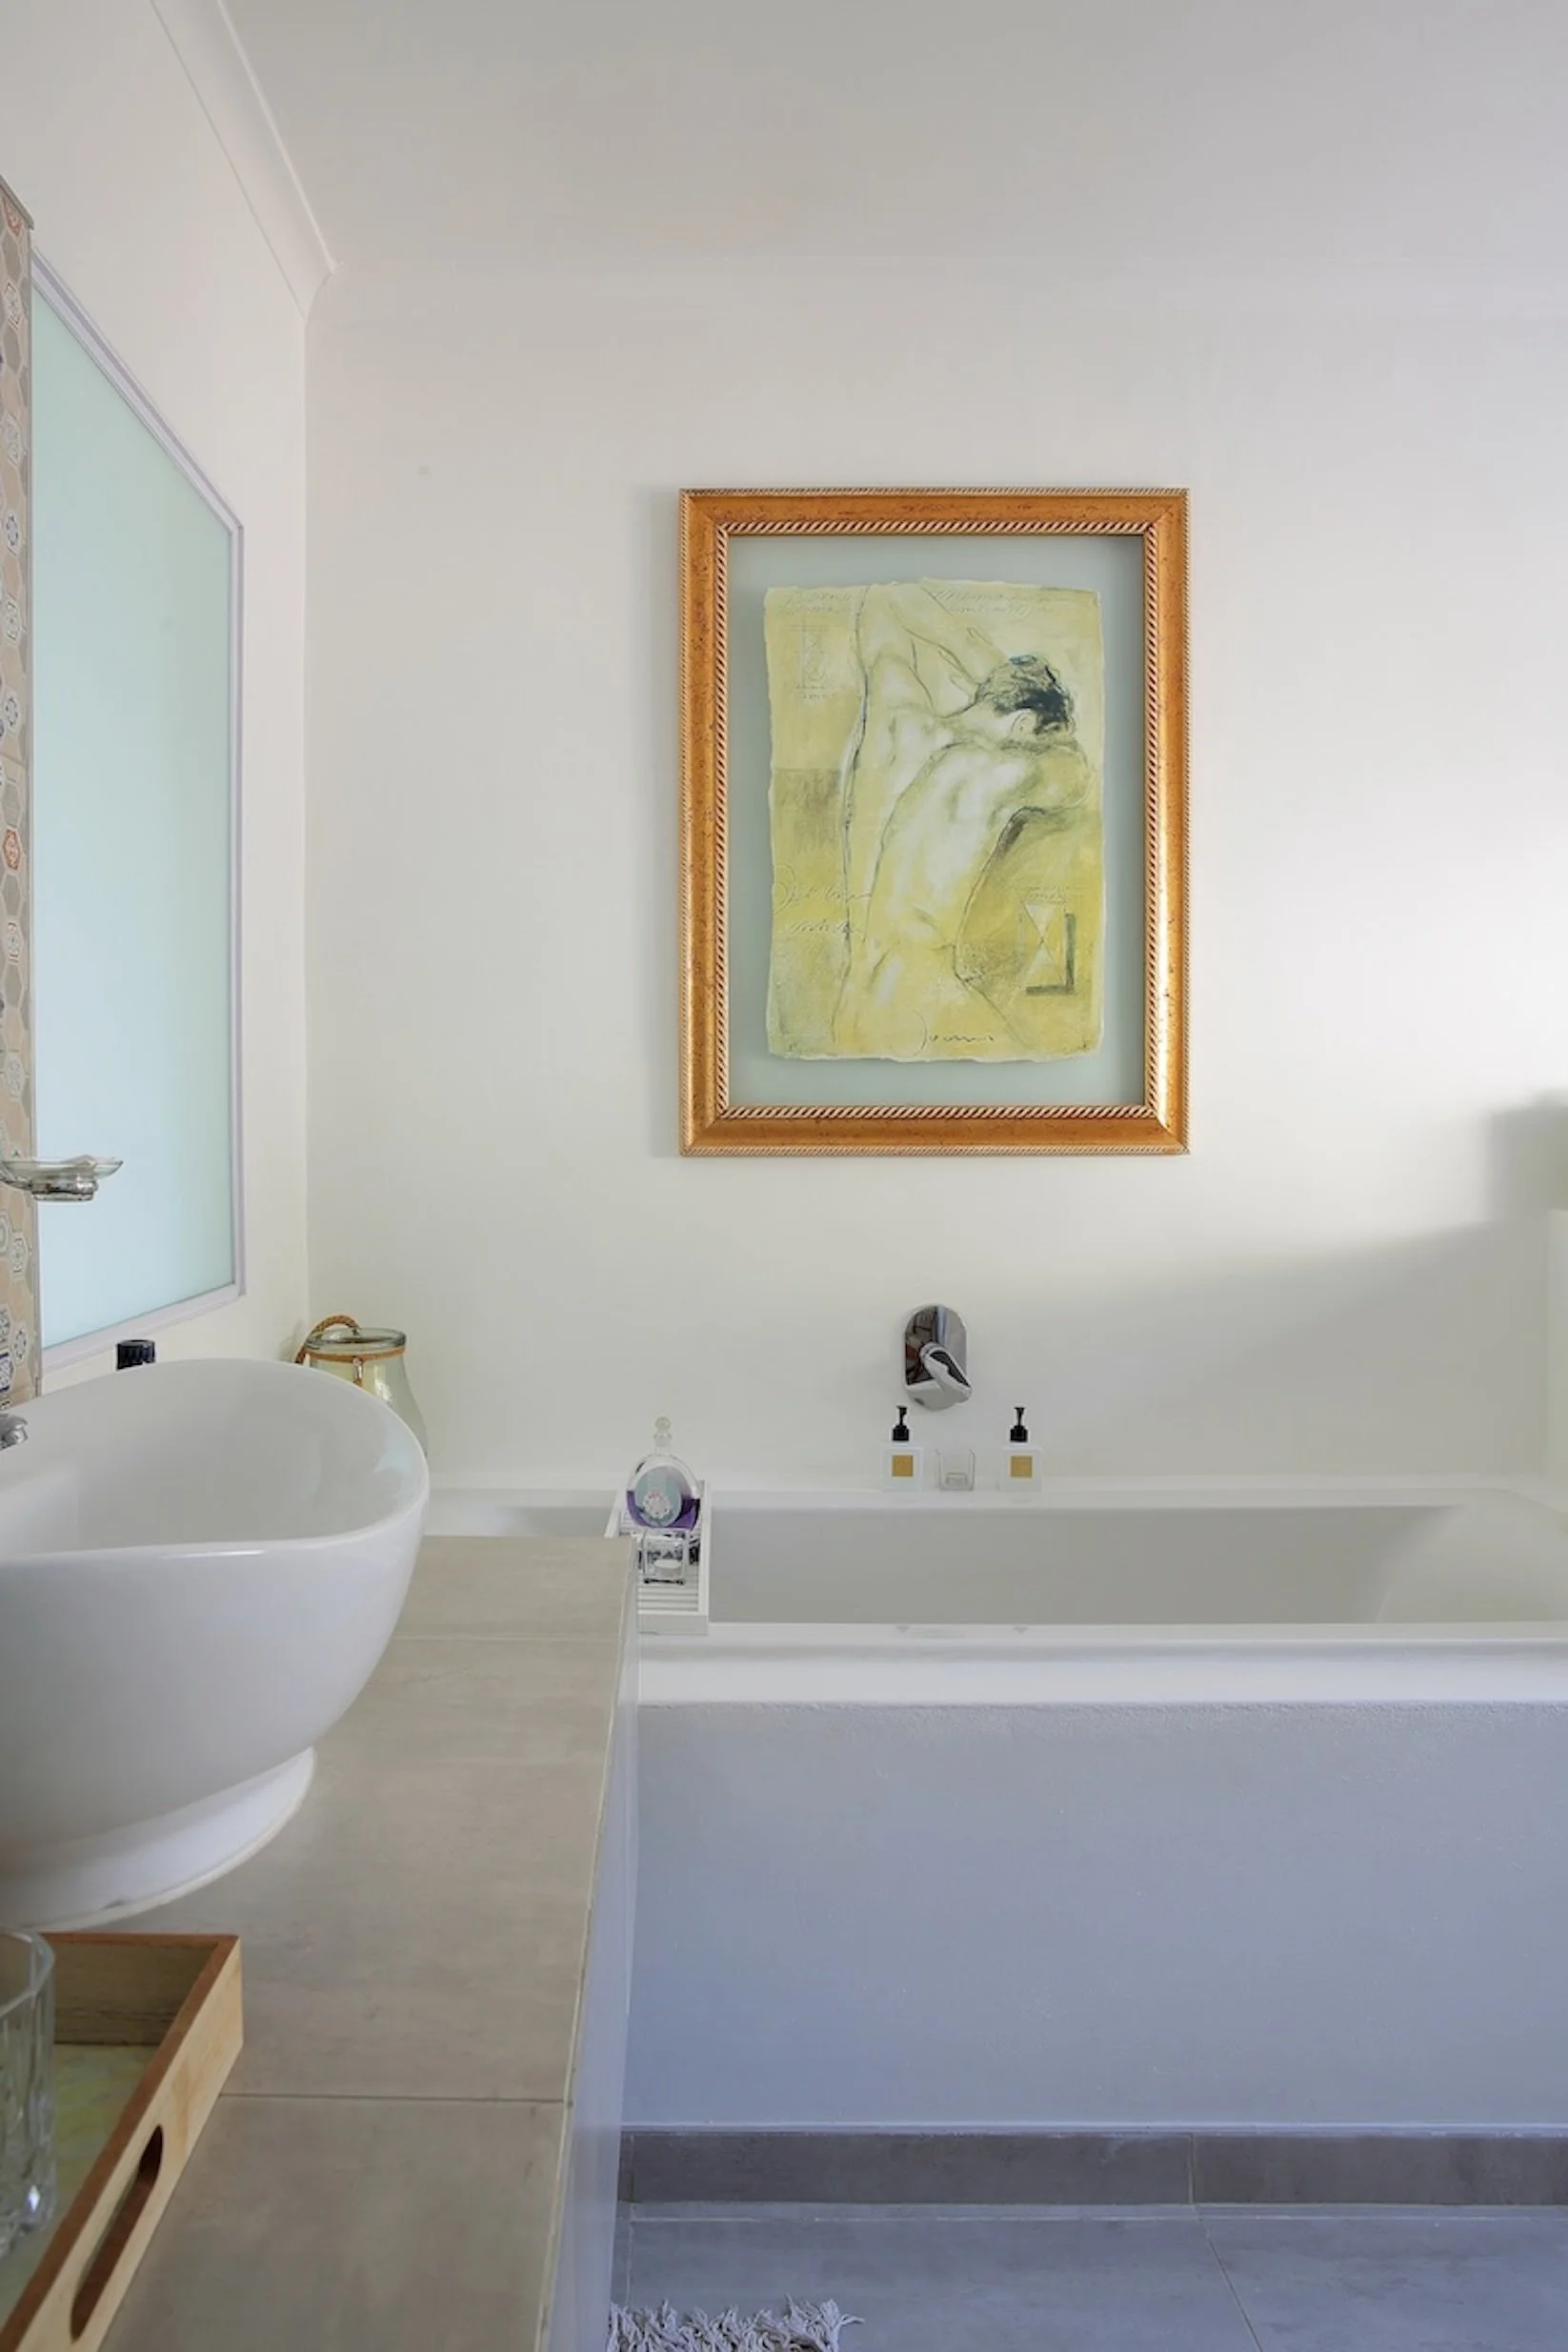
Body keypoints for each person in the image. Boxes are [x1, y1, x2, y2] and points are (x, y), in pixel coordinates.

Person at [834, 581, 1096, 1058]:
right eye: (1039, 738)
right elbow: (1076, 775)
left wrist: (1001, 679)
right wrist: (1027, 697)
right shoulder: (1001, 773)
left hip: (858, 991)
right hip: (917, 981)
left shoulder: (899, 721)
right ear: (1023, 726)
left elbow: (880, 605)